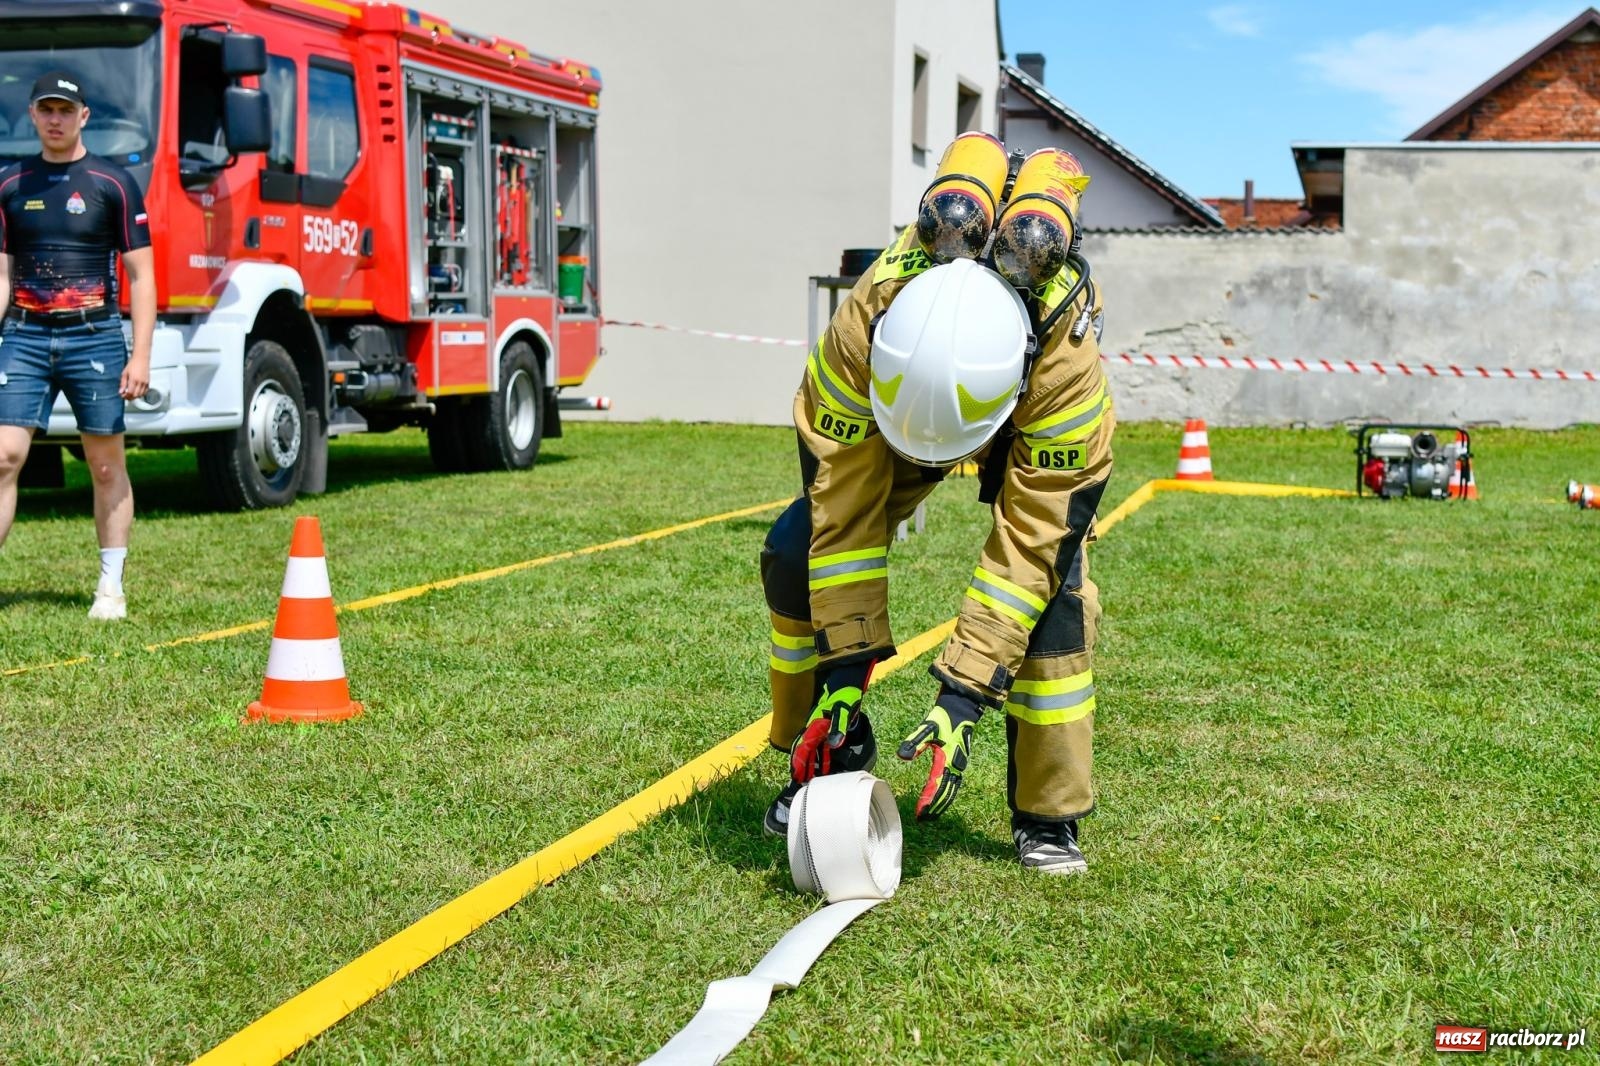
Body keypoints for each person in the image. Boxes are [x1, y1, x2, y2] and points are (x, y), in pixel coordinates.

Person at [760, 144, 1113, 875]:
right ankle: (821, 748)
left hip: (1026, 419)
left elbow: (1029, 549)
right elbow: (842, 519)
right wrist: (842, 682)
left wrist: (962, 699)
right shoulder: (858, 337)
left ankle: (1048, 818)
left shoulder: (1066, 368)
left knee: (1056, 593)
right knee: (798, 547)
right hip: (890, 418)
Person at [0, 71, 155, 620]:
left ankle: (110, 589)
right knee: (4, 456)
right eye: (46, 109)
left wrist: (140, 354)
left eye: (66, 109)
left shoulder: (112, 184)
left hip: (94, 336)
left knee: (106, 465)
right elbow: (2, 274)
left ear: (83, 116)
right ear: (33, 115)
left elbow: (141, 276)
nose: (56, 118)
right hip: (23, 335)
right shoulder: (9, 184)